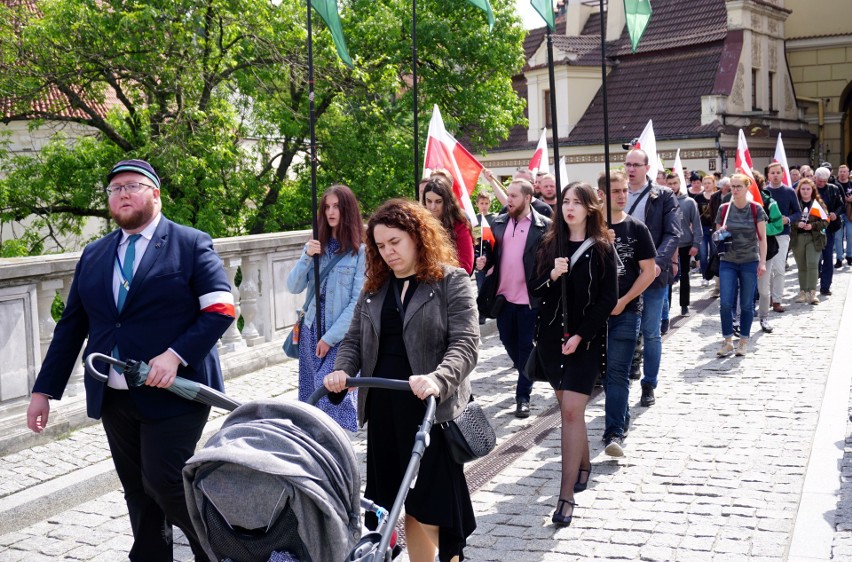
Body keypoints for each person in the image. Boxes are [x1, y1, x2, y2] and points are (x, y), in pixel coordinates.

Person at [26, 159, 235, 561]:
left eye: (133, 185)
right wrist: (43, 390)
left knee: (166, 482)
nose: (122, 192)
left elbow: (222, 308)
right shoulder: (95, 254)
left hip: (176, 391)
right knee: (138, 489)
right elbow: (71, 327)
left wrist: (174, 356)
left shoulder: (190, 243)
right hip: (115, 396)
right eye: (114, 188)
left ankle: (223, 550)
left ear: (155, 193)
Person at [324, 199, 478, 562]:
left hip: (430, 410)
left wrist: (439, 379)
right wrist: (342, 371)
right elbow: (353, 342)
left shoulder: (449, 281)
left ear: (417, 236)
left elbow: (466, 343)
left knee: (431, 502)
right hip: (384, 408)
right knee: (387, 502)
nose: (388, 252)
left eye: (395, 242)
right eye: (380, 245)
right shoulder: (375, 288)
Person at [529, 182, 617, 526]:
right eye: (565, 201)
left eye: (577, 203)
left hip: (586, 342)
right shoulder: (550, 243)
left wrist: (581, 335)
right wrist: (553, 274)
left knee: (569, 412)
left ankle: (565, 497)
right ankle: (583, 465)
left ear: (590, 208)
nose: (569, 208)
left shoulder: (603, 248)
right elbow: (533, 288)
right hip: (552, 341)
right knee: (571, 412)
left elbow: (608, 299)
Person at [286, 184, 365, 431]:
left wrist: (330, 338)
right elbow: (293, 286)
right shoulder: (316, 248)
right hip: (311, 330)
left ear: (348, 210)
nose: (331, 212)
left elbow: (356, 302)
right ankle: (316, 448)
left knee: (333, 393)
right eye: (327, 206)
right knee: (312, 396)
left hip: (339, 335)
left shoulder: (360, 252)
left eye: (337, 206)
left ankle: (336, 446)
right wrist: (306, 256)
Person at [475, 178, 551, 418]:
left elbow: (549, 260)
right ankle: (529, 372)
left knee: (526, 347)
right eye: (508, 195)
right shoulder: (498, 223)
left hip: (530, 299)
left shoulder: (544, 226)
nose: (508, 200)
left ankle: (523, 397)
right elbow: (491, 252)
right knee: (508, 341)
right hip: (503, 297)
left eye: (514, 196)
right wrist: (485, 260)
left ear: (528, 198)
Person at [598, 171, 656, 457]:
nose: (622, 195)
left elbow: (649, 272)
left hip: (628, 310)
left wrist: (624, 300)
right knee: (603, 373)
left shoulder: (637, 228)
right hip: (594, 314)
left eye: (624, 190)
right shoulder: (590, 228)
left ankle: (614, 433)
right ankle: (621, 419)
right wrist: (598, 241)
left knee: (618, 372)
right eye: (616, 191)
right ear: (601, 195)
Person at [623, 149, 682, 407]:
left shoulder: (663, 195)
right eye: (627, 164)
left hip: (653, 275)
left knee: (651, 332)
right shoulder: (617, 193)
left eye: (636, 164)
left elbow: (673, 233)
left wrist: (659, 262)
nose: (631, 169)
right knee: (623, 330)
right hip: (622, 274)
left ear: (647, 167)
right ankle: (620, 380)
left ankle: (649, 384)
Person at [715, 174, 767, 357]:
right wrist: (720, 232)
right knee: (725, 303)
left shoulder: (756, 209)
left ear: (747, 188)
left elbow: (762, 239)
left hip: (749, 260)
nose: (735, 190)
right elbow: (717, 237)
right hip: (728, 260)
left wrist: (762, 261)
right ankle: (728, 341)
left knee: (746, 304)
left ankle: (743, 341)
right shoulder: (724, 209)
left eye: (738, 186)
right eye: (733, 186)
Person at [765, 162, 802, 312]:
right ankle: (766, 298)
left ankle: (777, 300)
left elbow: (798, 212)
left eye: (778, 172)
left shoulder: (789, 191)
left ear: (782, 174)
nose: (775, 175)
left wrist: (789, 219)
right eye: (772, 173)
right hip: (766, 235)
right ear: (768, 175)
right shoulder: (764, 191)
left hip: (782, 234)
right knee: (767, 269)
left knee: (779, 268)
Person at [422, 176, 475, 275]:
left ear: (447, 202)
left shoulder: (460, 225)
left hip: (451, 285)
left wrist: (434, 271)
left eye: (438, 201)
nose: (432, 207)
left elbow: (466, 267)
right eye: (429, 201)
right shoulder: (420, 224)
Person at [667, 173, 701, 316]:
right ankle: (666, 308)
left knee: (685, 276)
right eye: (670, 184)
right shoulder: (664, 201)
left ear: (680, 183)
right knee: (667, 278)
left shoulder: (689, 202)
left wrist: (696, 244)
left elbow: (697, 224)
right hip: (668, 245)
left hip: (685, 244)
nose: (672, 186)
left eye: (675, 183)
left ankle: (684, 305)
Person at [791, 178, 829, 305]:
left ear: (812, 190)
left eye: (808, 189)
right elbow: (789, 220)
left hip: (815, 238)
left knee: (812, 263)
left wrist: (813, 225)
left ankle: (812, 293)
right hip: (798, 238)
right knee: (802, 266)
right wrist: (797, 224)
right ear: (799, 190)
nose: (805, 191)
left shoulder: (818, 203)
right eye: (803, 189)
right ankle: (803, 292)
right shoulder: (795, 204)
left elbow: (826, 221)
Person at [813, 166, 845, 296]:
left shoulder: (834, 189)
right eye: (819, 181)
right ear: (815, 178)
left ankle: (825, 286)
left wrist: (835, 214)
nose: (821, 184)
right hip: (813, 228)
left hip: (829, 228)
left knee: (827, 257)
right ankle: (812, 283)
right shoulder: (810, 189)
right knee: (814, 258)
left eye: (824, 181)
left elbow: (841, 205)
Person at [835, 164, 852, 266]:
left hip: (850, 214)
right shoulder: (835, 185)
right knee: (838, 237)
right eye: (840, 171)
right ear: (838, 173)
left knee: (850, 235)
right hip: (838, 214)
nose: (842, 173)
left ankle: (849, 255)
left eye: (844, 171)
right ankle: (839, 258)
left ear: (848, 173)